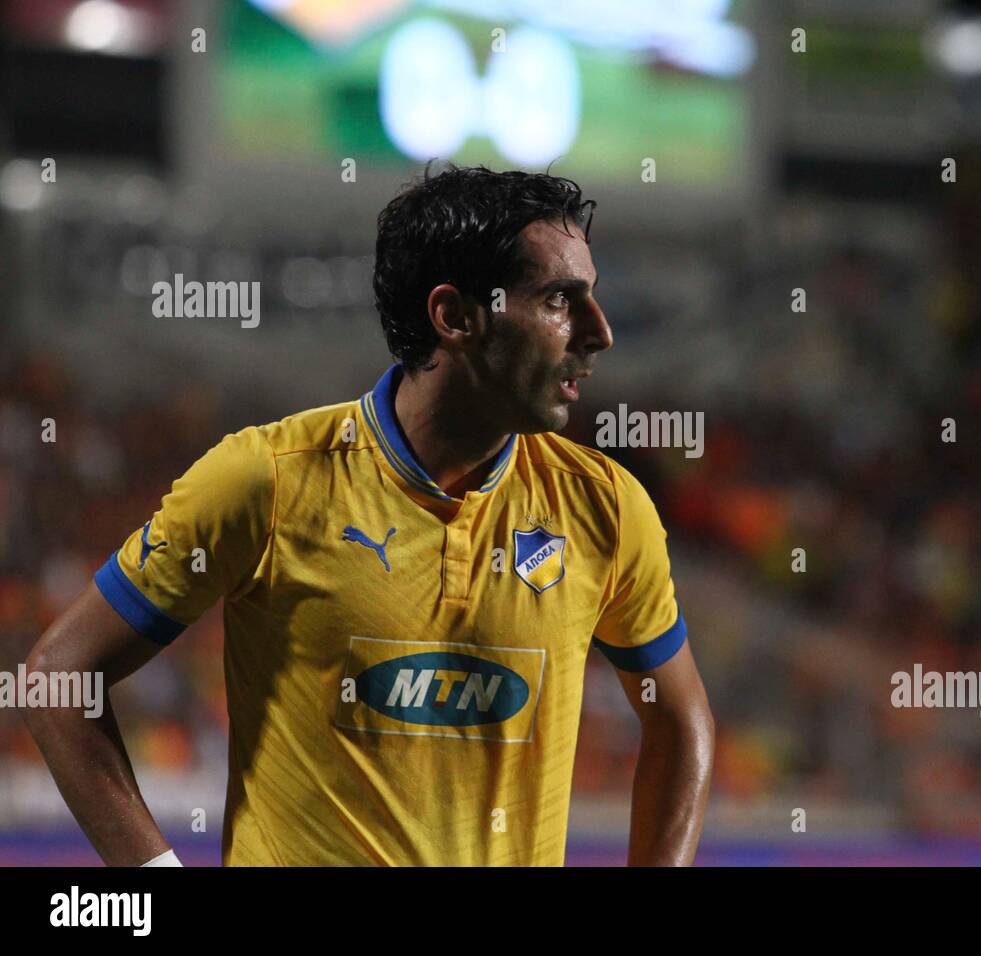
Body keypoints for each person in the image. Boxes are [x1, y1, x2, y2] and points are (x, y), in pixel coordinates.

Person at [23, 164, 714, 866]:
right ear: (454, 316)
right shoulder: (267, 479)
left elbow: (681, 721)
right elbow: (56, 677)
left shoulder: (606, 505)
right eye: (562, 300)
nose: (599, 332)